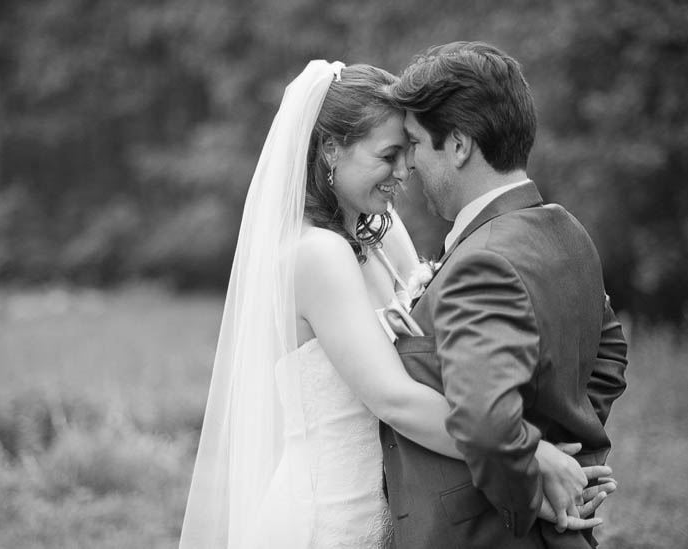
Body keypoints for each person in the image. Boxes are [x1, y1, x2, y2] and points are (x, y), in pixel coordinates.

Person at [179, 60, 613, 548]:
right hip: (336, 517)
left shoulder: (383, 236)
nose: (405, 172)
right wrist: (532, 457)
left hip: (404, 506)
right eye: (389, 155)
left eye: (409, 151)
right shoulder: (318, 253)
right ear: (330, 151)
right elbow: (394, 398)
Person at [380, 41, 629, 548]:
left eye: (414, 144)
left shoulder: (484, 260)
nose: (407, 166)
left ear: (458, 145)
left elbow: (486, 424)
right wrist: (571, 449)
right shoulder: (566, 231)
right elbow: (611, 352)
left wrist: (535, 492)